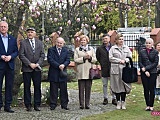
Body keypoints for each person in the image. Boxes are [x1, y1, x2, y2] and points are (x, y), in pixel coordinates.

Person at [19, 27, 45, 111]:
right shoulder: (23, 43)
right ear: (27, 34)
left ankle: (37, 104)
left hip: (37, 69)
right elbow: (21, 55)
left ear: (35, 33)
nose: (30, 33)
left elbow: (42, 55)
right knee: (27, 87)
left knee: (37, 87)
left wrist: (37, 64)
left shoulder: (40, 43)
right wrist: (29, 64)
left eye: (31, 32)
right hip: (27, 68)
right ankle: (28, 105)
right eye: (28, 32)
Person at [109, 33, 132, 110]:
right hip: (115, 70)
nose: (121, 40)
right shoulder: (113, 48)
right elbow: (110, 58)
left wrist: (125, 60)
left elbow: (130, 56)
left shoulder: (126, 48)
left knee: (124, 86)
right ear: (116, 40)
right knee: (117, 86)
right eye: (120, 39)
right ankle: (118, 101)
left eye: (122, 39)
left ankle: (123, 102)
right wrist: (119, 61)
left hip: (124, 69)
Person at [74, 35, 97, 109]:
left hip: (89, 71)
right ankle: (81, 104)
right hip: (81, 71)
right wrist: (83, 58)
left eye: (84, 40)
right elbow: (75, 60)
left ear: (87, 41)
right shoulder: (77, 49)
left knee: (88, 88)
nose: (83, 42)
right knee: (81, 89)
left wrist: (90, 58)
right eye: (82, 40)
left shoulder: (91, 49)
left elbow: (95, 59)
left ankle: (87, 104)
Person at [47, 37, 70, 110]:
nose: (59, 44)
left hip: (62, 72)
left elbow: (68, 60)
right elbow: (50, 59)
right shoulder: (51, 50)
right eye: (58, 43)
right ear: (55, 42)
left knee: (64, 90)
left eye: (61, 43)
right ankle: (53, 104)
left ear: (63, 44)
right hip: (54, 72)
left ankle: (64, 104)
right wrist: (58, 65)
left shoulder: (66, 50)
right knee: (53, 90)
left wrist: (64, 65)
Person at [0, 21, 18, 113]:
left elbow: (16, 51)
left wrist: (11, 56)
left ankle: (8, 105)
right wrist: (1, 56)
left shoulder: (12, 39)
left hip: (10, 65)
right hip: (0, 64)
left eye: (5, 27)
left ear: (7, 28)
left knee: (9, 85)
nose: (3, 28)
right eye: (1, 26)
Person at [96, 34, 117, 105]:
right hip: (104, 68)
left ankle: (114, 98)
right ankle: (105, 98)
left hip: (112, 67)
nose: (105, 40)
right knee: (105, 84)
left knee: (113, 84)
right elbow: (98, 57)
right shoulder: (99, 48)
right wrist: (102, 63)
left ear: (109, 39)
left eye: (106, 38)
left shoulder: (113, 47)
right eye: (103, 39)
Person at [139, 38, 159, 111]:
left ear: (152, 44)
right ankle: (147, 105)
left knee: (151, 88)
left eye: (149, 43)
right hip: (144, 73)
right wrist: (144, 70)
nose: (148, 44)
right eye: (147, 43)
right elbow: (140, 62)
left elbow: (155, 63)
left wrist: (147, 68)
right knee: (146, 89)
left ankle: (151, 105)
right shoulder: (141, 52)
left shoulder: (155, 52)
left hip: (152, 72)